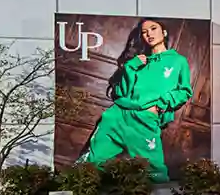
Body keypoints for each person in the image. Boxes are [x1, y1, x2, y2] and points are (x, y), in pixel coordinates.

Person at [79, 19, 193, 182]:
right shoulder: (138, 61)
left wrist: (160, 105)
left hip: (145, 119)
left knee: (155, 174)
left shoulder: (178, 61)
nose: (149, 34)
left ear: (164, 32)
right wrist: (130, 68)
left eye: (153, 28)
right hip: (116, 117)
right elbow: (122, 92)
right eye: (145, 32)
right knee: (91, 164)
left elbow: (184, 91)